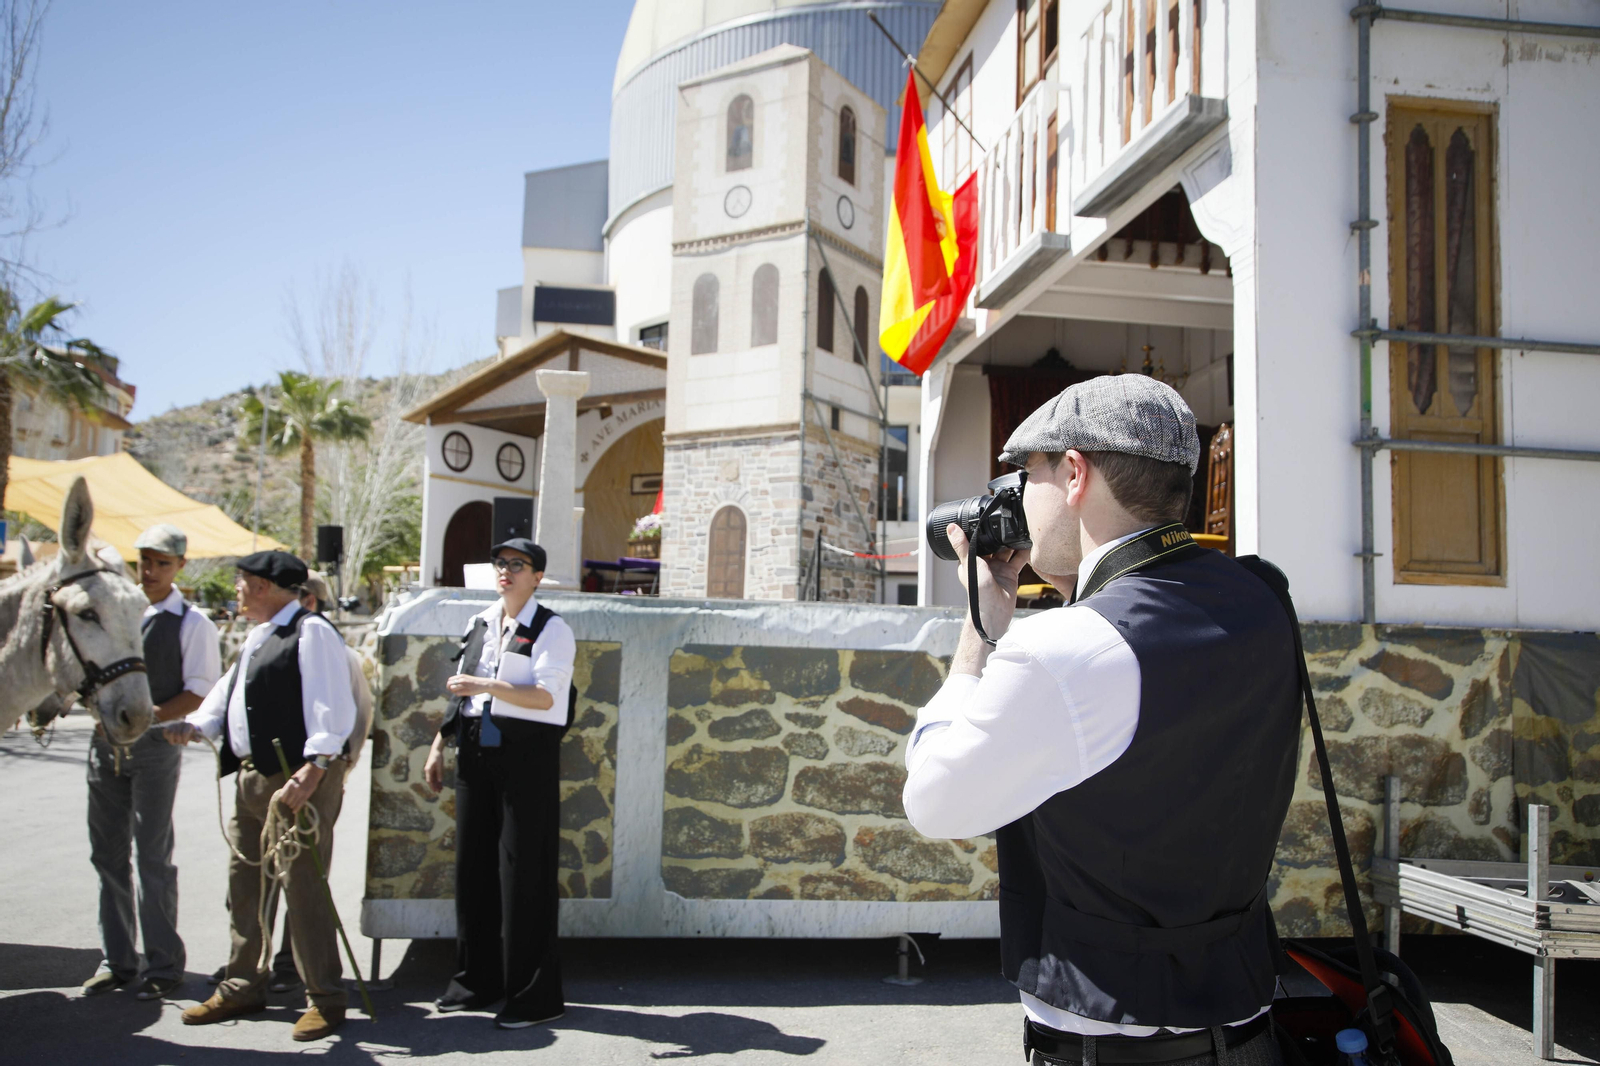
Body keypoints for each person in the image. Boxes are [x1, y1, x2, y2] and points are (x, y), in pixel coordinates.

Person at [903, 376, 1300, 1066]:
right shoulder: (1263, 599)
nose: (1019, 499)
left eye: (1028, 475)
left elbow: (934, 801)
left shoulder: (1064, 650)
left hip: (1112, 1039)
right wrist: (1075, 587)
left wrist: (979, 636)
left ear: (1076, 472)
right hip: (1251, 1026)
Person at [163, 549, 359, 1043]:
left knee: (303, 884)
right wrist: (196, 726)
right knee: (245, 882)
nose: (237, 590)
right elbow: (228, 696)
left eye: (243, 582)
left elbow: (330, 708)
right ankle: (243, 983)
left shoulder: (310, 632)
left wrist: (312, 771)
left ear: (267, 586)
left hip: (295, 779)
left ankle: (326, 997)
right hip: (253, 777)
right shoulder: (258, 635)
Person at [423, 537, 576, 1030]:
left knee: (524, 876)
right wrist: (439, 744)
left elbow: (548, 699)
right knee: (473, 872)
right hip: (474, 754)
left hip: (524, 760)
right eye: (500, 564)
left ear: (537, 577)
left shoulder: (552, 629)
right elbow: (459, 695)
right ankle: (476, 981)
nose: (506, 571)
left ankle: (536, 997)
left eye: (518, 564)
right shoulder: (480, 622)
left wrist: (486, 686)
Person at [82, 524, 221, 1001]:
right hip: (104, 744)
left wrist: (145, 720)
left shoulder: (192, 623)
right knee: (107, 856)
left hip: (156, 745)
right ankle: (117, 960)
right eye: (145, 561)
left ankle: (163, 963)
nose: (150, 571)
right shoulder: (117, 611)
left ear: (180, 565)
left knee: (153, 856)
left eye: (162, 563)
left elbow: (201, 689)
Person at [258, 571, 375, 994]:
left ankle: (295, 963)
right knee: (262, 868)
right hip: (274, 773)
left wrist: (337, 768)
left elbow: (358, 719)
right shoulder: (269, 643)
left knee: (303, 872)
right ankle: (256, 960)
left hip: (314, 777)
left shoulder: (338, 654)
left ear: (307, 602)